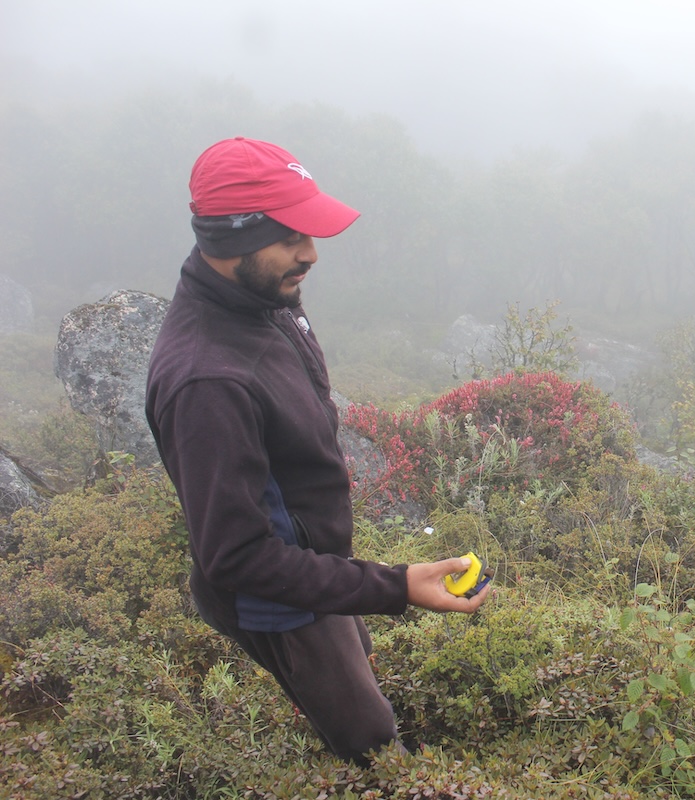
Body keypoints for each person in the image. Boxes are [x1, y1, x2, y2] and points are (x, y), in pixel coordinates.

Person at [145, 136, 491, 765]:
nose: (310, 254)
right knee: (372, 744)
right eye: (291, 237)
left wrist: (359, 581)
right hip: (276, 600)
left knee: (359, 659)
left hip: (313, 562)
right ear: (229, 239)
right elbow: (240, 558)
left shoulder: (263, 299)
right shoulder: (207, 383)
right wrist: (398, 586)